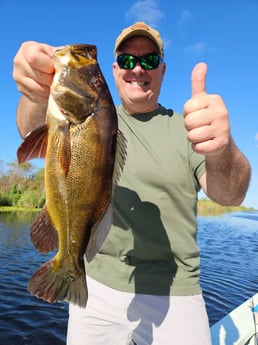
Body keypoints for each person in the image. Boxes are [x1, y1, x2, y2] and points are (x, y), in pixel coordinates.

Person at [13, 22, 251, 345]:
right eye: (127, 61)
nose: (137, 69)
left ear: (163, 70)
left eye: (149, 61)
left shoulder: (189, 130)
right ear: (113, 70)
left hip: (175, 292)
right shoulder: (95, 116)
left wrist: (222, 148)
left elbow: (232, 194)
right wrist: (35, 91)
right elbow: (29, 128)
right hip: (93, 287)